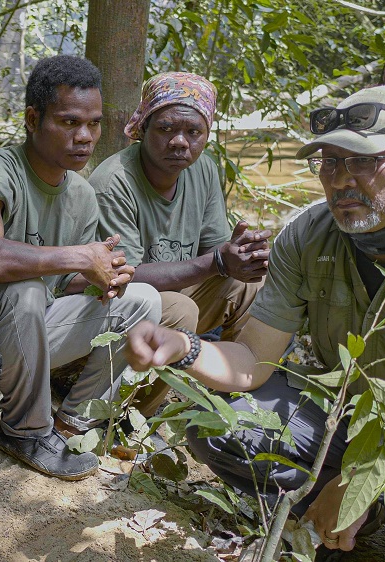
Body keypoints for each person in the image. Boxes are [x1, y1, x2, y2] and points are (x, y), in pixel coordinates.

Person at [122, 85, 385, 561]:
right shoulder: (309, 234)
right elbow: (251, 363)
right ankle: (340, 518)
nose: (341, 181)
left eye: (363, 162)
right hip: (354, 423)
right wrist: (183, 346)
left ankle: (377, 504)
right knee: (216, 424)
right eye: (329, 162)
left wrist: (364, 481)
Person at [0, 54, 162, 481]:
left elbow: (62, 283)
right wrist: (79, 255)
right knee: (23, 289)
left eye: (94, 124)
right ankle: (24, 430)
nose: (85, 137)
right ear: (32, 118)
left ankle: (74, 423)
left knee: (143, 300)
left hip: (30, 327)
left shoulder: (81, 194)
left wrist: (102, 274)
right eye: (69, 122)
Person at [89, 72, 271, 415]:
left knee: (248, 284)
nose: (179, 142)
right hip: (116, 313)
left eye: (193, 132)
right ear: (143, 128)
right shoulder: (114, 182)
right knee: (177, 308)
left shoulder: (203, 170)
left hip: (171, 302)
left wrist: (242, 256)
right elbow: (123, 278)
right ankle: (135, 415)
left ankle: (231, 398)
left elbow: (215, 249)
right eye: (166, 128)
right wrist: (217, 261)